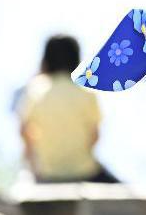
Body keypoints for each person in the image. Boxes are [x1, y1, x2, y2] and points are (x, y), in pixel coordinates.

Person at [17, 34, 118, 183]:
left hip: (48, 173)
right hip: (85, 172)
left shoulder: (35, 90)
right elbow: (95, 136)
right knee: (125, 192)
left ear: (46, 60)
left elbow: (24, 131)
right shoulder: (87, 91)